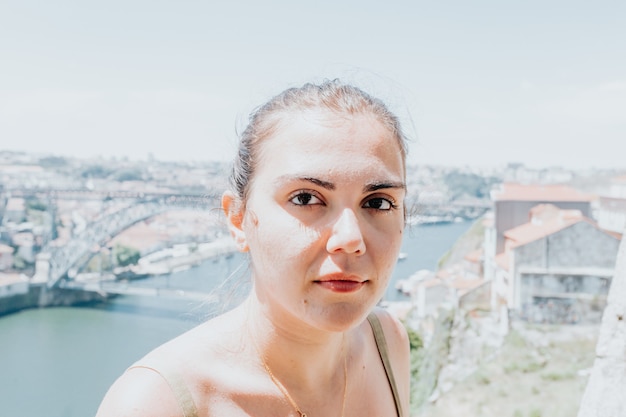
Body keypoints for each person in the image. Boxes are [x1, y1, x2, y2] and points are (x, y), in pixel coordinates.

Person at [96, 80, 411, 417]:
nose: (351, 238)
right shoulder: (154, 404)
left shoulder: (388, 342)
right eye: (305, 198)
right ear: (238, 219)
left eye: (378, 202)